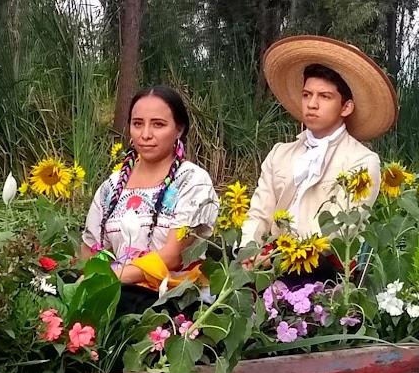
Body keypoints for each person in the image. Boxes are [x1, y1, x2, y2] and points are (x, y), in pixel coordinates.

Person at [241, 36, 395, 250]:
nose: (312, 104)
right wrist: (247, 251)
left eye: (324, 96)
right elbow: (259, 212)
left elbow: (341, 230)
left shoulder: (362, 162)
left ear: (346, 107)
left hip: (324, 271)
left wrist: (280, 256)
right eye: (306, 95)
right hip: (267, 263)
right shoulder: (280, 153)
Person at [82, 85, 219, 295]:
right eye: (138, 124)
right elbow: (90, 252)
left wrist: (109, 278)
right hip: (115, 298)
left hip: (175, 304)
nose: (145, 134)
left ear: (179, 130)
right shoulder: (111, 187)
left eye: (158, 124)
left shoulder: (192, 181)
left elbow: (174, 255)